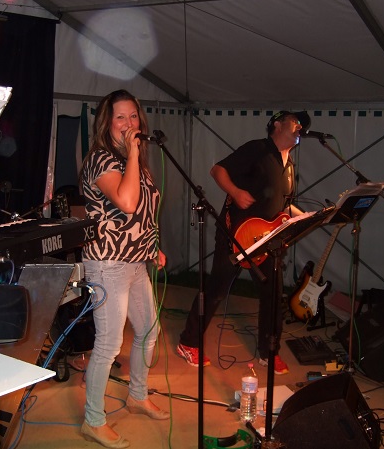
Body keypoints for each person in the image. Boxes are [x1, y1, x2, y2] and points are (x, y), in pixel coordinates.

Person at [177, 111, 304, 374]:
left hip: (266, 240)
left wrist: (306, 217)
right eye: (294, 122)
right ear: (277, 125)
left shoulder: (290, 165)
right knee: (216, 289)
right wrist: (235, 192)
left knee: (272, 293)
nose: (299, 127)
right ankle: (188, 342)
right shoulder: (258, 149)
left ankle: (269, 352)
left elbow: (284, 206)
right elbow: (217, 170)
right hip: (236, 234)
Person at [79, 89, 168, 448]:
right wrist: (132, 153)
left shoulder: (133, 161)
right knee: (109, 344)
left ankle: (138, 395)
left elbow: (143, 212)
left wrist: (153, 246)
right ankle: (93, 420)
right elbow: (128, 203)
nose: (129, 123)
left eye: (133, 116)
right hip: (107, 263)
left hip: (135, 262)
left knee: (149, 330)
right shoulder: (101, 159)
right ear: (107, 122)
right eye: (120, 117)